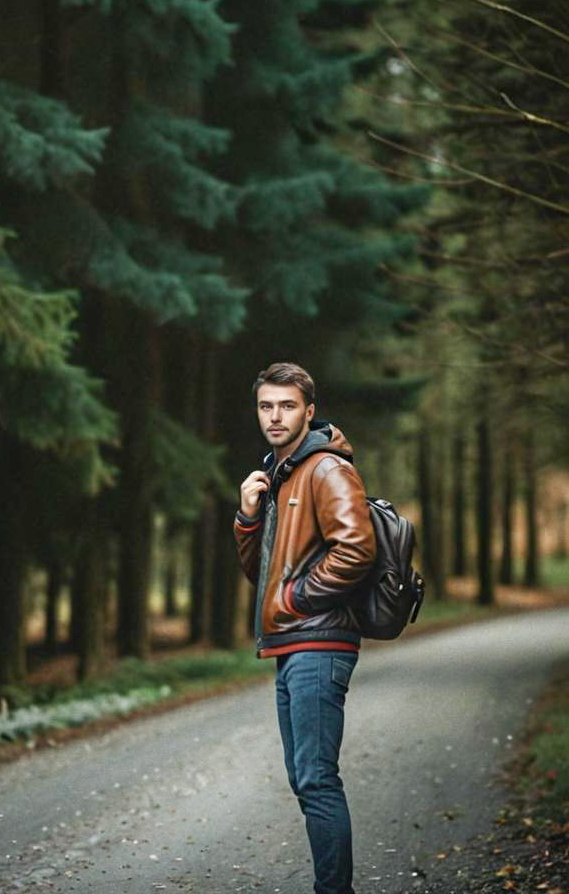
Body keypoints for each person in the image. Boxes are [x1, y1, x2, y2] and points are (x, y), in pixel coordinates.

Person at [234, 361, 376, 894]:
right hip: (295, 643)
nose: (275, 416)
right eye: (267, 406)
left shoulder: (325, 469)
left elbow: (356, 549)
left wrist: (297, 596)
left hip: (318, 642)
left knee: (316, 779)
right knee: (305, 777)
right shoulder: (279, 473)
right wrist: (248, 517)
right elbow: (264, 571)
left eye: (287, 405)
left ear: (309, 411)